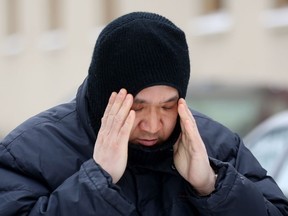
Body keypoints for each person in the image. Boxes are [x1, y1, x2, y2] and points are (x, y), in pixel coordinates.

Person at [0, 12, 287, 216]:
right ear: (105, 98)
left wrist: (212, 186)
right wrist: (95, 184)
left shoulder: (217, 148)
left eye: (167, 107)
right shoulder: (27, 154)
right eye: (137, 107)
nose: (152, 125)